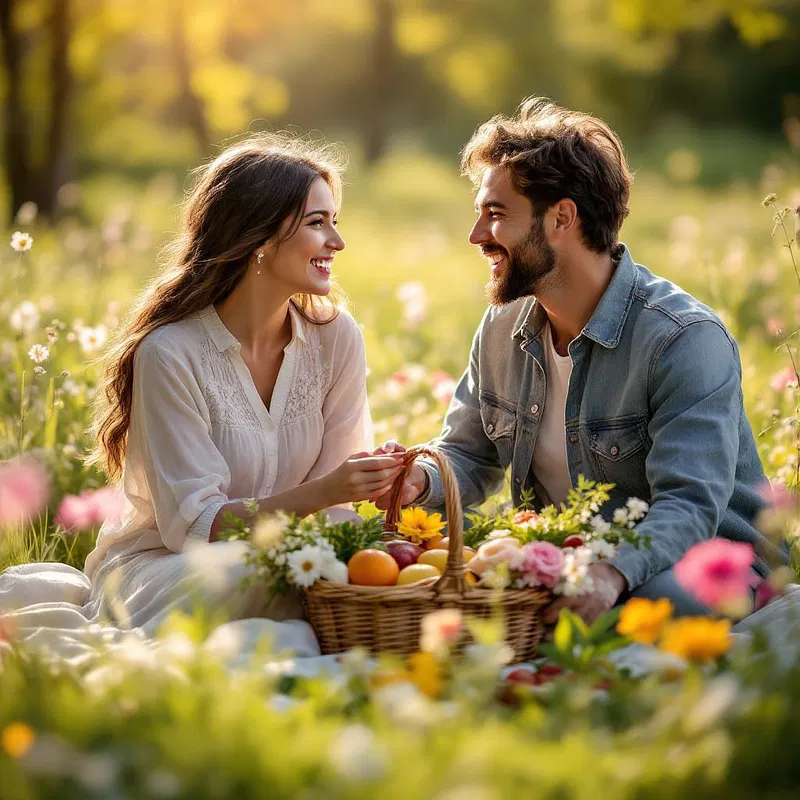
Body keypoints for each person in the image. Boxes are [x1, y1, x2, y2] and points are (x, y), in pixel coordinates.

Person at [378, 97, 786, 624]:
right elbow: (469, 454)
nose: (476, 236)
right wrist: (422, 481)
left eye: (495, 215)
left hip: (708, 567)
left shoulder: (684, 339)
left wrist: (610, 574)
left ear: (562, 219)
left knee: (650, 608)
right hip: (573, 559)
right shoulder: (504, 326)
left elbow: (688, 507)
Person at [77, 134, 404, 631]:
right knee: (252, 573)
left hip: (295, 559)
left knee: (364, 568)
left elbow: (338, 507)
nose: (336, 242)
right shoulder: (170, 353)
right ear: (259, 238)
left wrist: (372, 497)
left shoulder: (337, 337)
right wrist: (320, 494)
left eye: (334, 222)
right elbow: (197, 526)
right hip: (174, 568)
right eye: (318, 224)